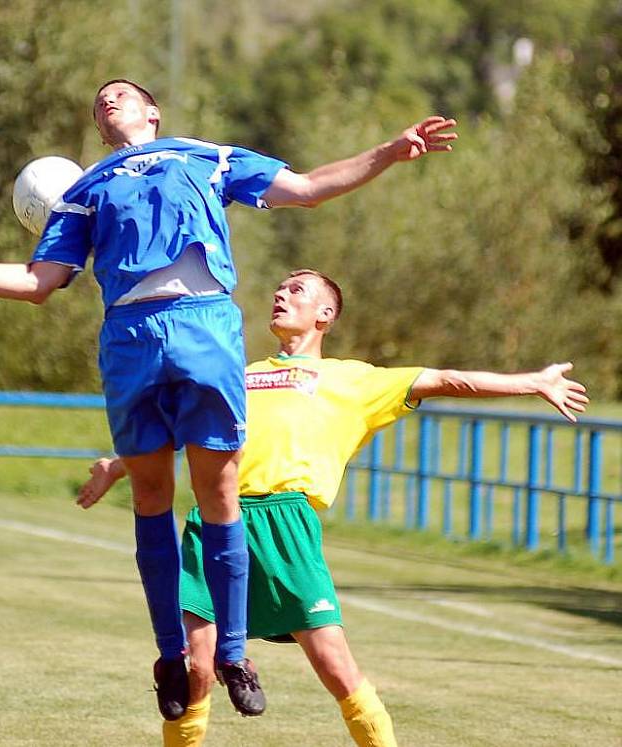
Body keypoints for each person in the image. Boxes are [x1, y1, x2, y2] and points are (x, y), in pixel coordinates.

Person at [0, 78, 458, 721]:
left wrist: (390, 151)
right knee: (152, 499)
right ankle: (170, 654)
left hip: (203, 326)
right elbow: (37, 281)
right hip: (129, 335)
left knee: (219, 495)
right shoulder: (84, 190)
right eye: (99, 100)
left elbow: (306, 189)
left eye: (123, 94)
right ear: (99, 129)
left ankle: (237, 653)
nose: (109, 100)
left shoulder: (205, 156)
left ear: (152, 111)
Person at [77, 268, 589, 746]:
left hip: (286, 524)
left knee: (336, 667)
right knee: (196, 667)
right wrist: (117, 465)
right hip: (216, 522)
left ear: (326, 316)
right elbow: (183, 435)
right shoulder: (238, 372)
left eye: (297, 290)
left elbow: (450, 379)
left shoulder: (355, 379)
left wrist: (531, 382)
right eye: (280, 288)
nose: (281, 295)